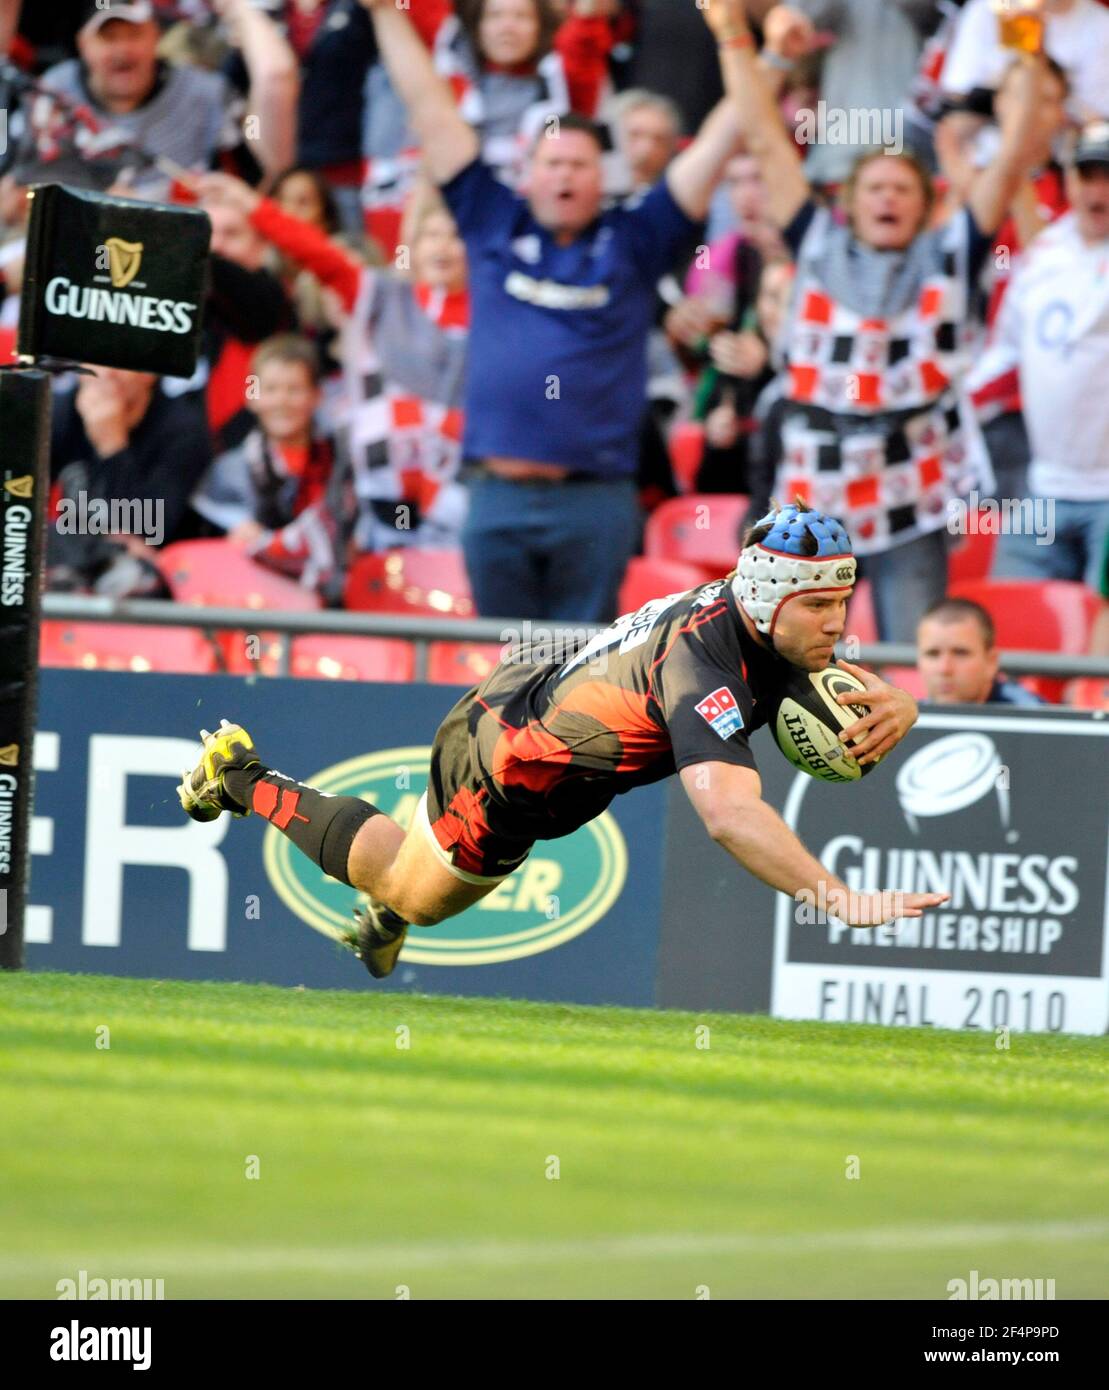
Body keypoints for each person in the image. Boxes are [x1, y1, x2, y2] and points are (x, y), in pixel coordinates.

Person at [177, 501, 945, 979]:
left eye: (843, 601)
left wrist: (901, 701)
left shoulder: (753, 615)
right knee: (412, 891)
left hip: (543, 702)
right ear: (770, 599)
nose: (839, 624)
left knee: (413, 881)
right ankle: (238, 774)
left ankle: (387, 902)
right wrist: (835, 898)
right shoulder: (701, 667)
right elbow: (728, 816)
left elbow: (802, 662)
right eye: (821, 606)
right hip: (509, 760)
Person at [359, 0, 749, 622]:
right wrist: (385, 14)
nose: (564, 175)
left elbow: (725, 139)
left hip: (594, 501)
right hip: (495, 497)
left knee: (582, 684)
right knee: (500, 678)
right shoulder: (489, 216)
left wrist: (764, 52)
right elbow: (431, 108)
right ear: (528, 172)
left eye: (579, 165)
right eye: (553, 163)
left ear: (603, 177)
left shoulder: (637, 237)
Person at [702, 0, 1044, 642]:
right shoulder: (812, 244)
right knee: (789, 658)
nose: (887, 197)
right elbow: (761, 133)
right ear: (849, 202)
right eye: (875, 188)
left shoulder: (951, 252)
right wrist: (737, 40)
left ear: (924, 204)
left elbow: (1011, 156)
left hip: (910, 490)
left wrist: (1025, 48)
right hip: (811, 490)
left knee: (909, 655)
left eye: (902, 188)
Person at [968, 122, 1109, 588]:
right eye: (1088, 174)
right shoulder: (1043, 254)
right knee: (1009, 631)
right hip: (1043, 487)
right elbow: (1005, 354)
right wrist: (950, 404)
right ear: (1069, 178)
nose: (1098, 189)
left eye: (1108, 175)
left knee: (1099, 651)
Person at [9, 0, 299, 196]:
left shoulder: (208, 92)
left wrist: (253, 122)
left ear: (155, 37)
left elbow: (254, 155)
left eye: (133, 34)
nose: (122, 50)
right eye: (109, 37)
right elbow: (19, 177)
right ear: (84, 45)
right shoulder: (51, 93)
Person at [190, 334, 340, 594]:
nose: (282, 401)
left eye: (294, 389)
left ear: (316, 396)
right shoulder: (228, 471)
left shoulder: (340, 462)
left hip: (332, 593)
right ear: (251, 396)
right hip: (253, 595)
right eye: (270, 389)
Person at [916, 597, 1044, 705]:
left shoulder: (1033, 717)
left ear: (991, 662)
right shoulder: (905, 725)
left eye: (960, 653)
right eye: (932, 654)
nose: (944, 669)